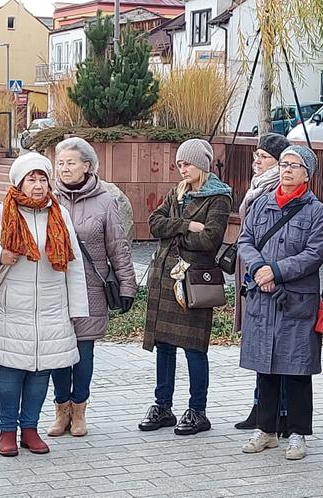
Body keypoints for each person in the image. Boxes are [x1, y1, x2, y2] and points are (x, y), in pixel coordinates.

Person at [0, 152, 88, 457]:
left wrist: (76, 310)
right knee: (10, 376)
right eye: (31, 179)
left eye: (42, 178)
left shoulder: (60, 215)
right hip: (12, 309)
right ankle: (7, 431)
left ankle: (30, 430)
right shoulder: (1, 211)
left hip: (52, 308)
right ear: (19, 182)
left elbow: (74, 266)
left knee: (39, 374)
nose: (38, 185)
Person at [237, 145, 323, 460]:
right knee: (265, 367)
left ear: (307, 173)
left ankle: (298, 433)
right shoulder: (262, 203)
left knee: (297, 371)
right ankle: (266, 429)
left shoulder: (317, 211)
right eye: (284, 164)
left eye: (294, 165)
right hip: (264, 298)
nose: (287, 170)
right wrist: (259, 269)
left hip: (294, 301)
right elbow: (245, 240)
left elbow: (314, 254)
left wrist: (274, 270)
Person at [139, 139, 232, 435]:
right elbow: (154, 223)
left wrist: (175, 230)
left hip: (194, 281)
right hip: (167, 277)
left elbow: (209, 240)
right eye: (179, 164)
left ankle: (197, 410)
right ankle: (162, 406)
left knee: (194, 347)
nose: (182, 168)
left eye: (187, 163)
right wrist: (186, 226)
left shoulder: (219, 198)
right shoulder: (177, 193)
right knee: (164, 346)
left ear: (202, 165)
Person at [49, 138, 137, 438]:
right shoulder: (48, 198)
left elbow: (118, 246)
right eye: (60, 163)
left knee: (83, 353)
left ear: (87, 165)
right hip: (54, 289)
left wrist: (127, 284)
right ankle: (61, 410)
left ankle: (79, 411)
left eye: (71, 162)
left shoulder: (105, 200)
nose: (64, 169)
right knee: (59, 353)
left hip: (90, 289)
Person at [234, 133, 290, 432]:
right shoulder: (258, 187)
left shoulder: (273, 189)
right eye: (256, 155)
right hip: (253, 271)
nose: (257, 161)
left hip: (269, 276)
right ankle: (260, 406)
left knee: (274, 346)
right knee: (258, 343)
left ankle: (276, 411)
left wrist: (264, 270)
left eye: (264, 157)